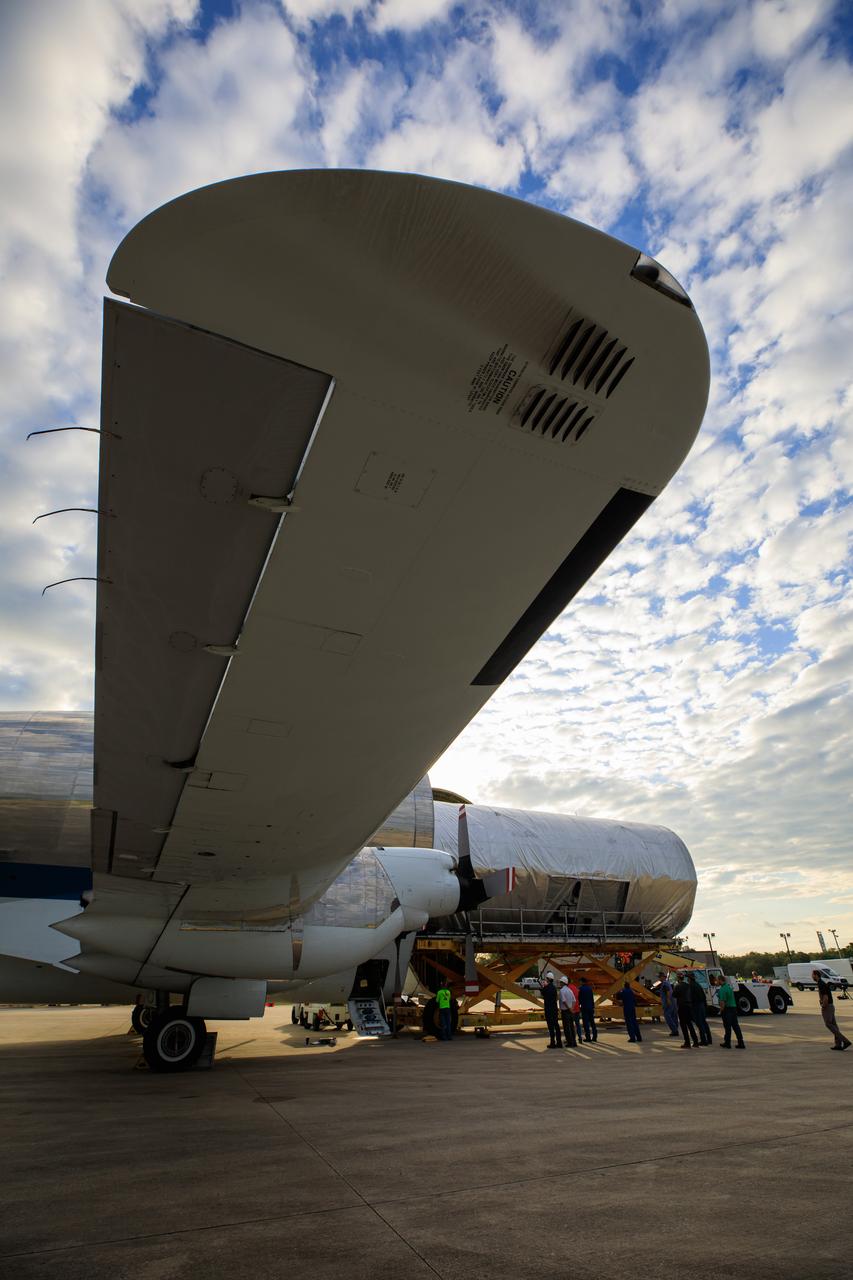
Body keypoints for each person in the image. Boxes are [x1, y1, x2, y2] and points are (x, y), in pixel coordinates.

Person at [815, 969, 851, 1050]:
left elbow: (825, 996)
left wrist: (824, 1006)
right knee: (834, 1025)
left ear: (816, 975)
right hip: (830, 1006)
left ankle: (845, 1041)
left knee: (828, 1024)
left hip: (827, 1006)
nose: (812, 976)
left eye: (812, 975)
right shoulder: (821, 983)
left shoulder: (821, 984)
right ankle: (838, 1044)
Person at [715, 974, 745, 1048]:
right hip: (733, 1008)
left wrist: (720, 1011)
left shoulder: (722, 989)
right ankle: (741, 1042)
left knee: (727, 1027)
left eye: (717, 980)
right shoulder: (728, 987)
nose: (716, 982)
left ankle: (727, 1043)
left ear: (720, 980)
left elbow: (722, 1002)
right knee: (735, 1026)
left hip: (727, 1009)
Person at [674, 975, 700, 1048]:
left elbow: (674, 995)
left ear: (678, 979)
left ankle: (687, 1042)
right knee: (690, 1024)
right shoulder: (688, 986)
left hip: (682, 1007)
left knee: (683, 1025)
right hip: (689, 1006)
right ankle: (695, 1041)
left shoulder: (677, 986)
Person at [688, 972, 712, 1046]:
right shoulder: (698, 985)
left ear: (689, 979)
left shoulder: (691, 986)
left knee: (699, 1023)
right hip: (701, 1005)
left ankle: (703, 1040)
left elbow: (690, 998)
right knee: (704, 1022)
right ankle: (709, 1039)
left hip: (696, 1006)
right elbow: (704, 997)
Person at [541, 972, 562, 1048]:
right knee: (556, 1025)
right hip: (554, 1009)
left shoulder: (546, 988)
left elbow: (543, 994)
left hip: (549, 1010)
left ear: (548, 979)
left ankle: (552, 1043)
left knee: (551, 1027)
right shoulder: (554, 988)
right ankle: (559, 1042)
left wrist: (543, 986)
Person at [558, 976, 578, 1047]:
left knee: (566, 1028)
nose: (559, 983)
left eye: (560, 982)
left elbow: (564, 1001)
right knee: (572, 1027)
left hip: (565, 1011)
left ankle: (570, 1043)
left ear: (563, 983)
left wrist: (569, 1008)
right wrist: (572, 1008)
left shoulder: (562, 991)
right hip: (570, 1011)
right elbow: (574, 1000)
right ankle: (574, 1042)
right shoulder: (570, 990)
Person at [578, 977, 597, 1042]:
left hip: (584, 1008)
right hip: (590, 1007)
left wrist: (578, 1005)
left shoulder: (580, 989)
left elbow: (579, 999)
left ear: (582, 982)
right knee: (592, 1022)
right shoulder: (589, 989)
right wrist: (593, 1007)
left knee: (586, 1023)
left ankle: (588, 1037)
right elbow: (592, 998)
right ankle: (595, 1036)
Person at [567, 974, 583, 1044]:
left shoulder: (567, 989)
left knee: (570, 1025)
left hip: (571, 1009)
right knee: (577, 1024)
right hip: (577, 1008)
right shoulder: (575, 988)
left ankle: (572, 1038)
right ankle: (580, 1037)